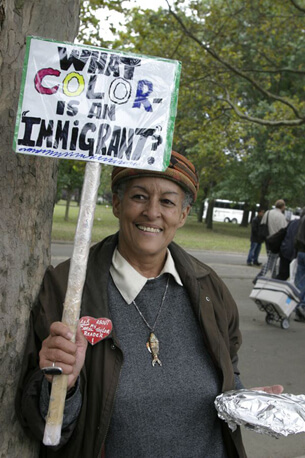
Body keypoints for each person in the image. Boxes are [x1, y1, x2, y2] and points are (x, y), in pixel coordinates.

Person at [15, 151, 283, 458]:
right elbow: (43, 424)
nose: (152, 212)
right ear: (117, 203)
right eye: (139, 197)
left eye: (167, 202)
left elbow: (228, 368)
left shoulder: (209, 288)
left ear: (183, 215)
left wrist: (242, 400)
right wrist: (64, 384)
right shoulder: (68, 289)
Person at [254, 199, 287, 281]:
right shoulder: (281, 216)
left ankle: (272, 275)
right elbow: (284, 229)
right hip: (276, 240)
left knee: (271, 258)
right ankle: (262, 276)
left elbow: (263, 223)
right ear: (282, 206)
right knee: (272, 259)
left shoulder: (268, 213)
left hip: (267, 238)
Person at [294, 208, 305, 323]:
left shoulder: (301, 219)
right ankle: (302, 306)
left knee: (299, 282)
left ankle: (296, 304)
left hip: (301, 252)